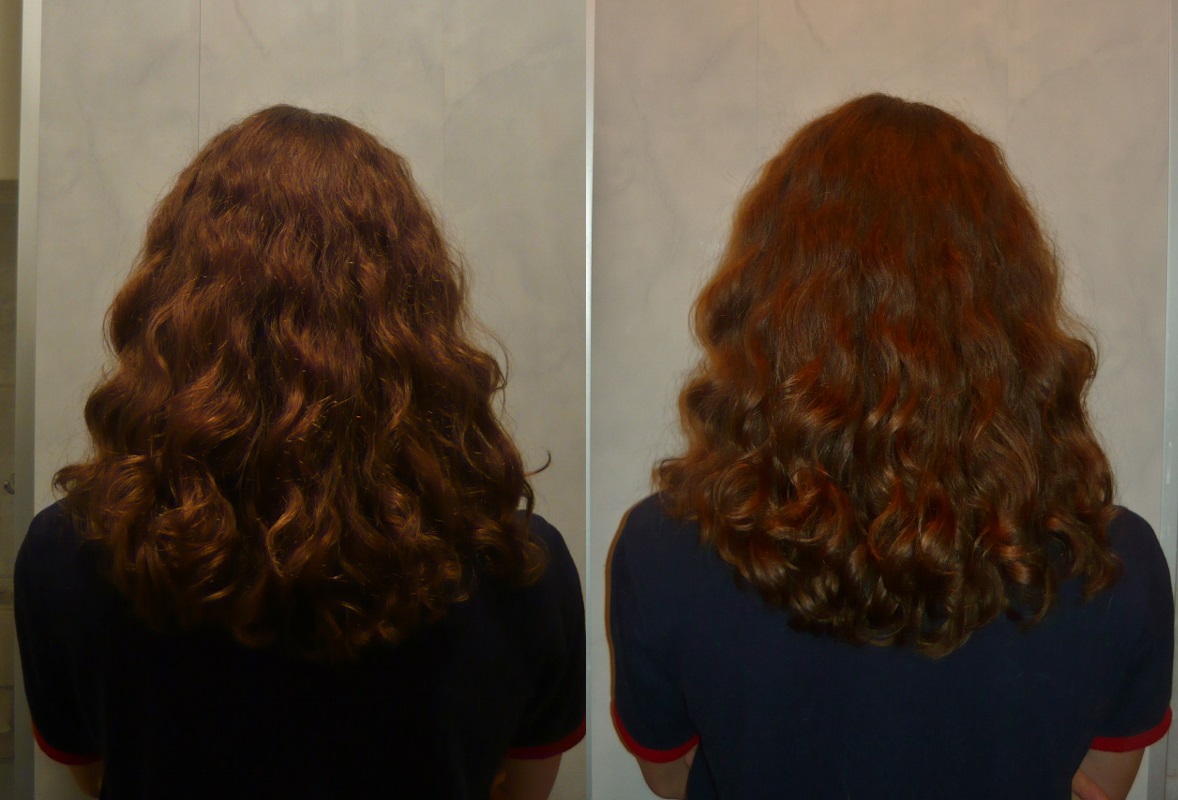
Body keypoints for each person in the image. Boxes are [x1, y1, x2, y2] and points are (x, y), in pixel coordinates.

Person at [608, 94, 1172, 800]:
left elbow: (669, 776)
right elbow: (1101, 787)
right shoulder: (1114, 564)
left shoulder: (663, 547)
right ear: (1013, 301)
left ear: (770, 298)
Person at [16, 105, 584, 799]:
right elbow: (524, 789)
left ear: (172, 303)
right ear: (419, 308)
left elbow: (91, 774)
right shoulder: (520, 565)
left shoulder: (69, 554)